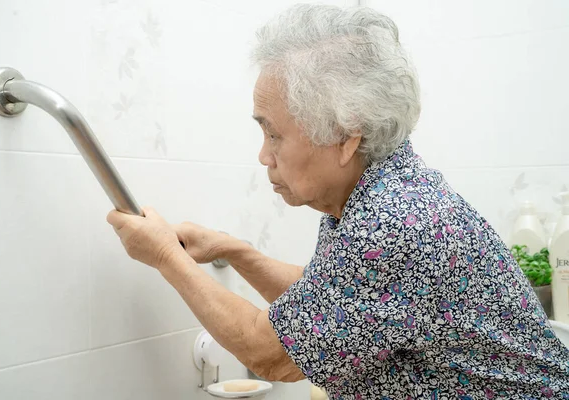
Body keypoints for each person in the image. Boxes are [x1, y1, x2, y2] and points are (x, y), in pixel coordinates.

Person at [107, 4, 569, 399]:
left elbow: (271, 355)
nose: (264, 155)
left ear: (347, 137)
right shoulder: (384, 190)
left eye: (274, 133)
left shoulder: (393, 223)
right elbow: (336, 300)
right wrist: (236, 251)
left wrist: (166, 256)